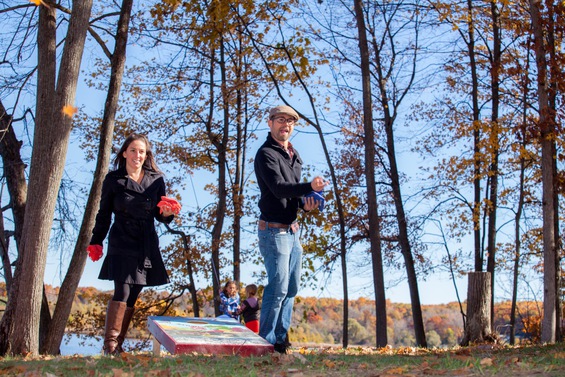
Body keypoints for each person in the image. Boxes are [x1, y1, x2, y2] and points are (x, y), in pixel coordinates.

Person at [87, 133, 181, 355]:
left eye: (142, 151)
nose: (137, 155)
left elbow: (161, 214)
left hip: (146, 242)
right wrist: (96, 241)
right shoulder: (113, 179)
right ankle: (110, 345)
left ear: (146, 155)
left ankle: (118, 344)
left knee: (135, 292)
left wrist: (168, 214)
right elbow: (103, 214)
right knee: (122, 289)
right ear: (124, 153)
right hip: (121, 238)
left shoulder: (156, 179)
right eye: (133, 150)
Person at [254, 105, 328, 353]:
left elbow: (291, 196)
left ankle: (280, 342)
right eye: (280, 120)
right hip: (273, 231)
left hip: (293, 231)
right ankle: (265, 343)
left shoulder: (294, 156)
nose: (285, 124)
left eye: (290, 121)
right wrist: (309, 186)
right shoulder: (266, 154)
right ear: (270, 122)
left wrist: (306, 205)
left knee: (292, 288)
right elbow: (278, 188)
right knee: (278, 287)